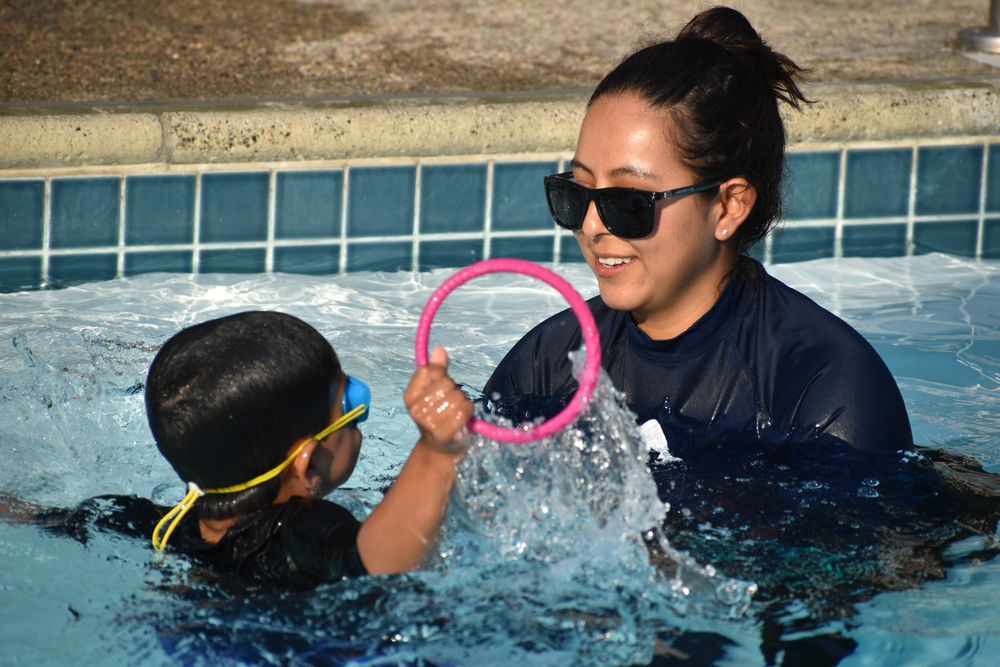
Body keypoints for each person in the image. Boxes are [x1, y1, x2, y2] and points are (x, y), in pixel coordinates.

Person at [484, 6, 912, 457]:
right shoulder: (547, 363)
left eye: (629, 203)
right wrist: (439, 451)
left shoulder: (821, 391)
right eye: (578, 193)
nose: (591, 225)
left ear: (729, 206)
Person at [7, 310, 472, 588]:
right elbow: (376, 564)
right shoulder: (300, 532)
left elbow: (40, 517)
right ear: (307, 463)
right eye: (349, 402)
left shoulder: (161, 526)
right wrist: (437, 452)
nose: (358, 406)